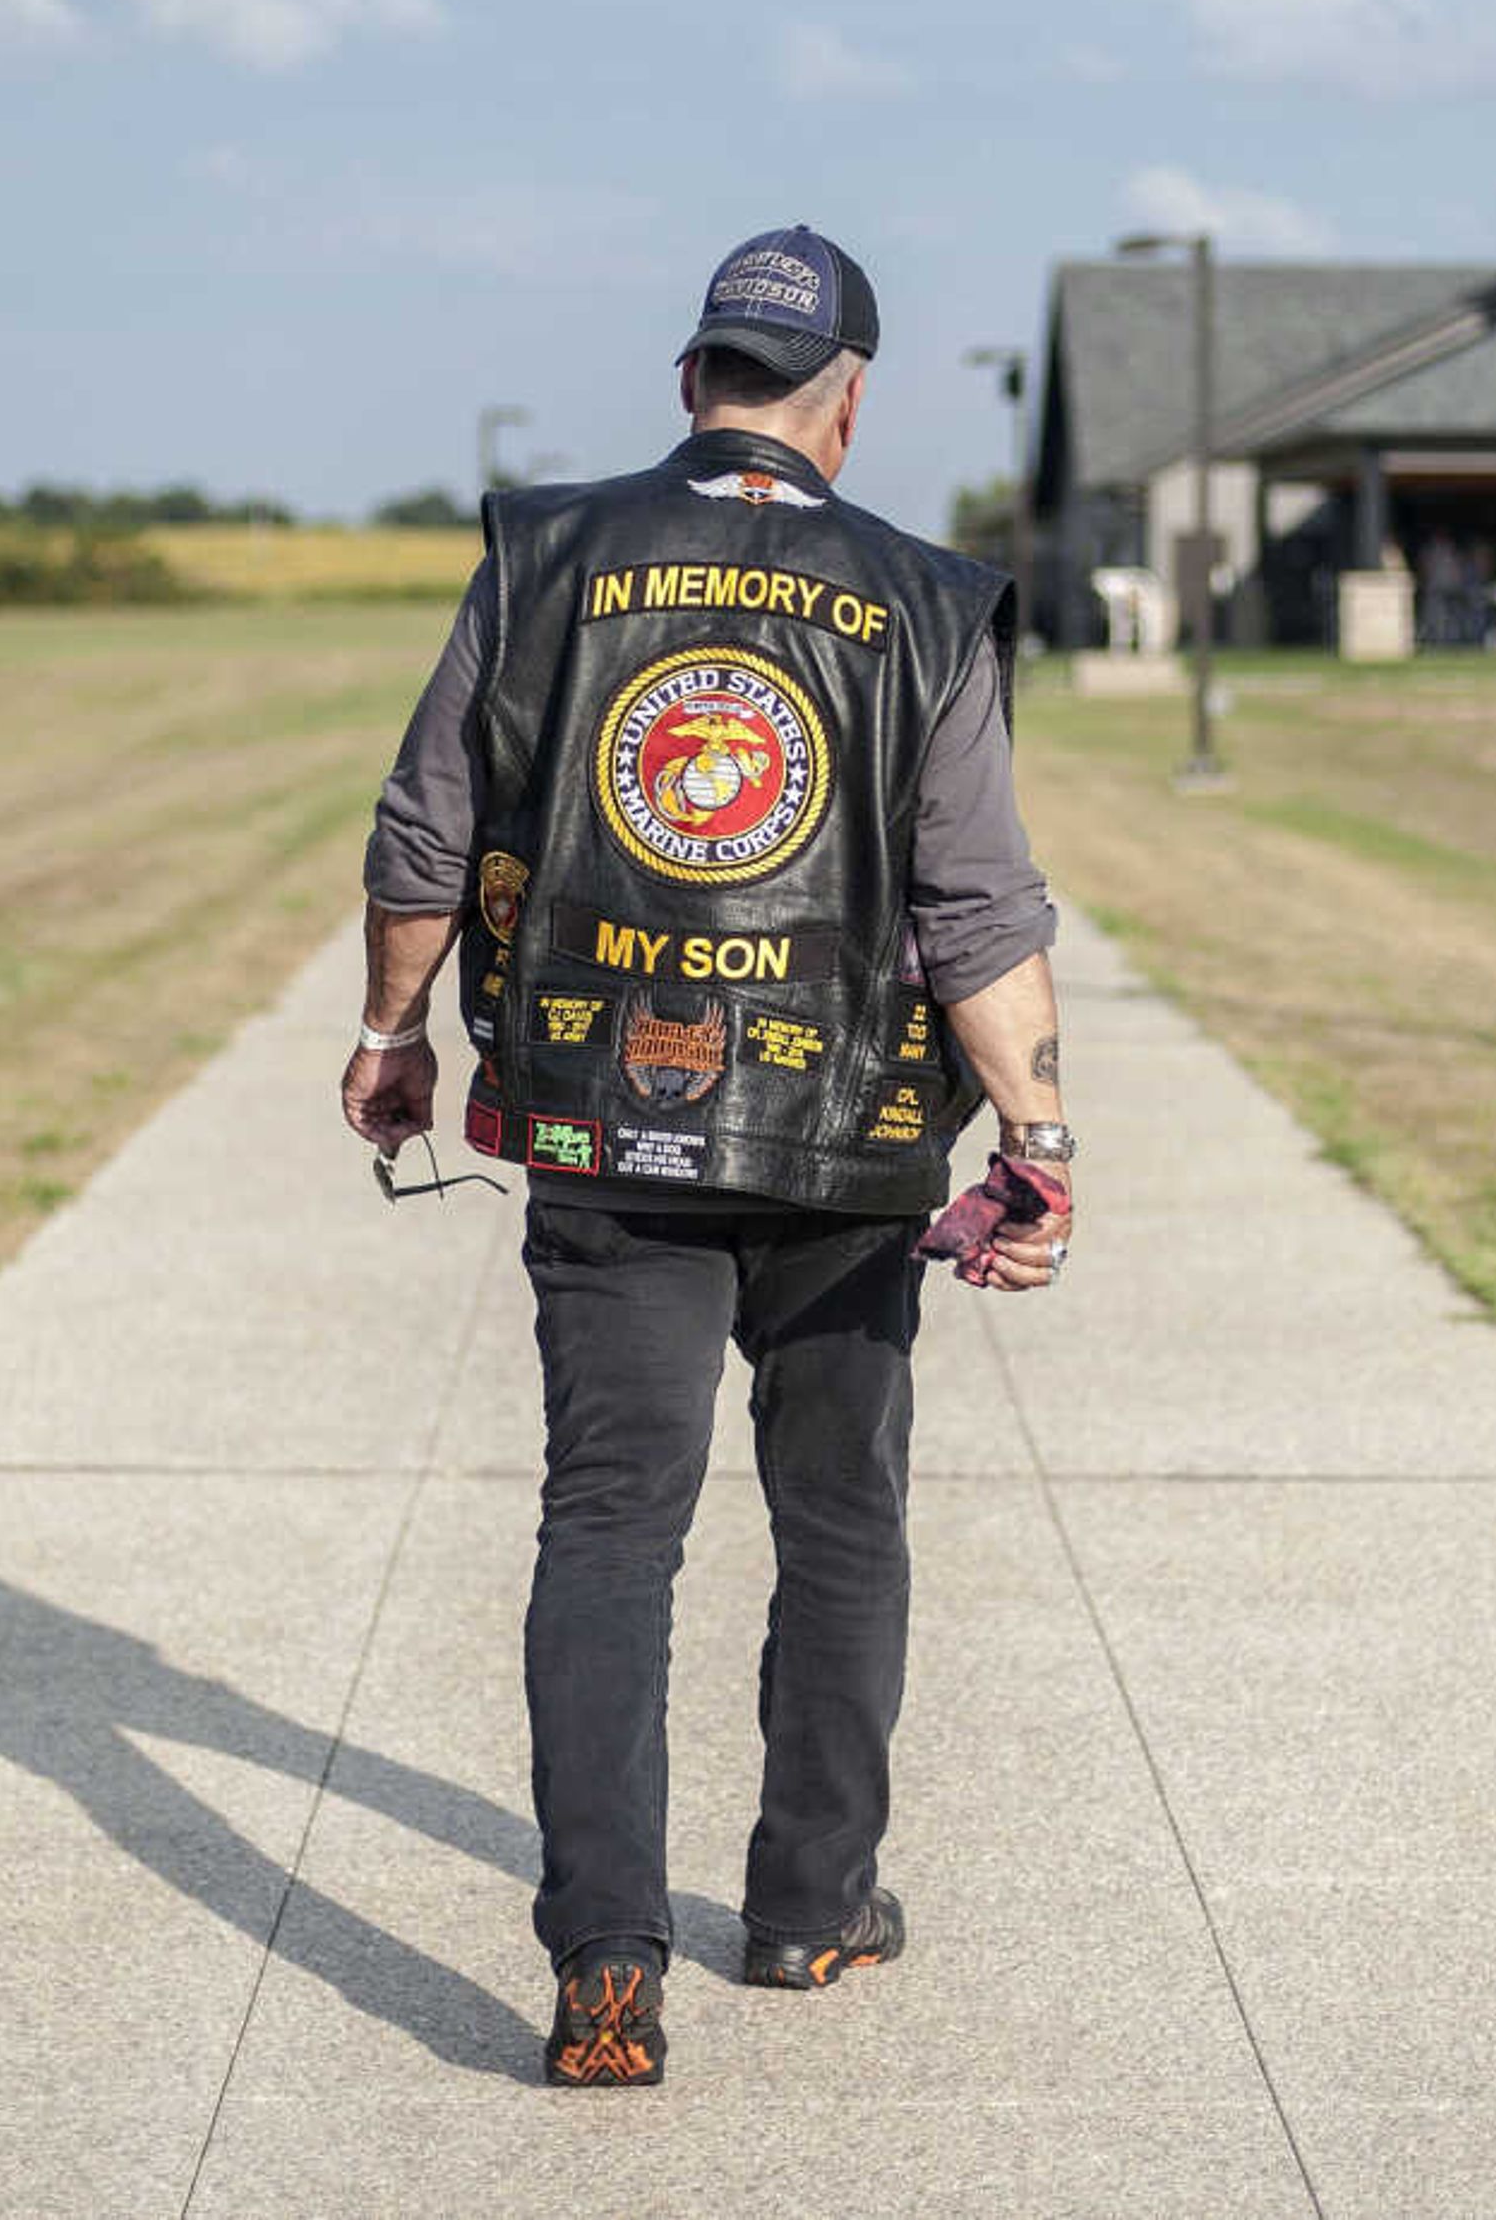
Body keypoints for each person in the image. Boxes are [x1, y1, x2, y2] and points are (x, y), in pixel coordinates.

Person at [343, 225, 1073, 2091]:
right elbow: (979, 910)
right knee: (839, 1524)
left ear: (689, 385)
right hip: (851, 1147)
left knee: (609, 1526)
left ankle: (605, 1955)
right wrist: (1042, 1144)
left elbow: (427, 823)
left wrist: (390, 1034)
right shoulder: (923, 599)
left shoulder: (546, 555)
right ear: (848, 403)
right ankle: (814, 1903)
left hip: (602, 1123)